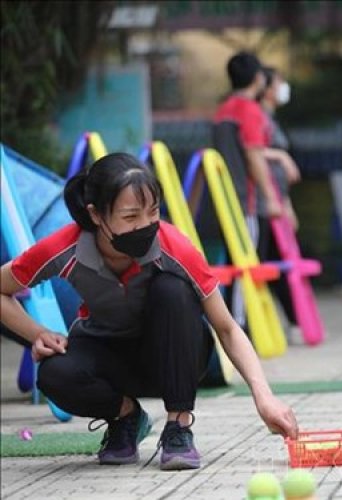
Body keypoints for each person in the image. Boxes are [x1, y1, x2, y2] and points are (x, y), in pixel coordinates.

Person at [0, 154, 298, 471]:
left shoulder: (174, 246)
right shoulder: (65, 247)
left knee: (173, 290)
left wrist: (264, 397)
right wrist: (37, 333)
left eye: (153, 212)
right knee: (52, 373)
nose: (145, 225)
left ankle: (178, 427)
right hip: (108, 357)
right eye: (130, 217)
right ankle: (125, 417)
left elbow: (227, 328)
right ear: (97, 215)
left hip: (174, 358)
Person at [212, 51, 284, 327]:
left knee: (233, 263)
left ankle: (235, 320)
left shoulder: (222, 110)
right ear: (258, 77)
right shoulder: (250, 111)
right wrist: (270, 198)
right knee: (246, 266)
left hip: (223, 199)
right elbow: (254, 156)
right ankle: (242, 325)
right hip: (245, 201)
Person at [257, 65, 303, 344]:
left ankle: (294, 322)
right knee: (268, 263)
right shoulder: (256, 117)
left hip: (275, 202)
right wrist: (281, 157)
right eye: (279, 83)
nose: (283, 88)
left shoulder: (269, 118)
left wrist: (285, 202)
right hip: (263, 205)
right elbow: (251, 152)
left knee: (279, 263)